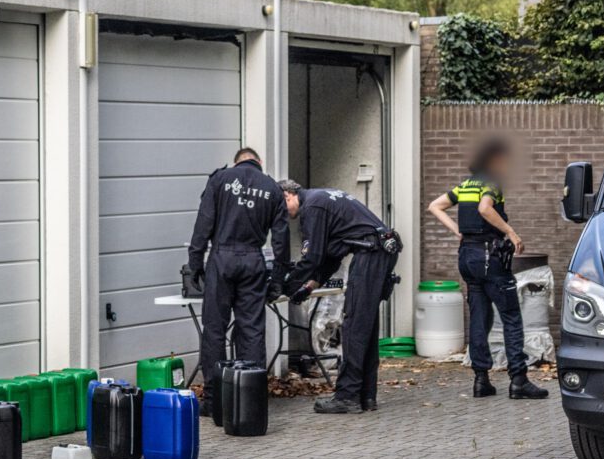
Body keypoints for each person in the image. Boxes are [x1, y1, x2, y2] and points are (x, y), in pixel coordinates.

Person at [428, 139, 548, 400]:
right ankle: (519, 380)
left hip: (467, 259)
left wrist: (458, 231)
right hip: (489, 257)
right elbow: (485, 209)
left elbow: (435, 206)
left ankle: (481, 381)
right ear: (494, 160)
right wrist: (511, 232)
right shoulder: (491, 183)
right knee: (511, 317)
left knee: (479, 318)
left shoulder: (465, 185)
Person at [279, 180, 401, 414]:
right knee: (366, 326)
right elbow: (331, 256)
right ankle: (366, 395)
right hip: (379, 250)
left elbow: (312, 258)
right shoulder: (322, 197)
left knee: (354, 325)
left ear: (287, 195)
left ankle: (347, 396)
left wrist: (285, 286)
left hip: (370, 254)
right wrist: (309, 287)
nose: (282, 215)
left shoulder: (311, 208)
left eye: (280, 208)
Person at [188, 147, 290, 416]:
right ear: (259, 162)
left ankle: (213, 400)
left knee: (214, 330)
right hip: (253, 261)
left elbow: (203, 224)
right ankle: (251, 400)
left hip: (221, 260)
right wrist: (278, 279)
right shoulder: (272, 188)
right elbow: (281, 240)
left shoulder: (220, 180)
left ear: (238, 161)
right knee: (252, 331)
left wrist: (195, 264)